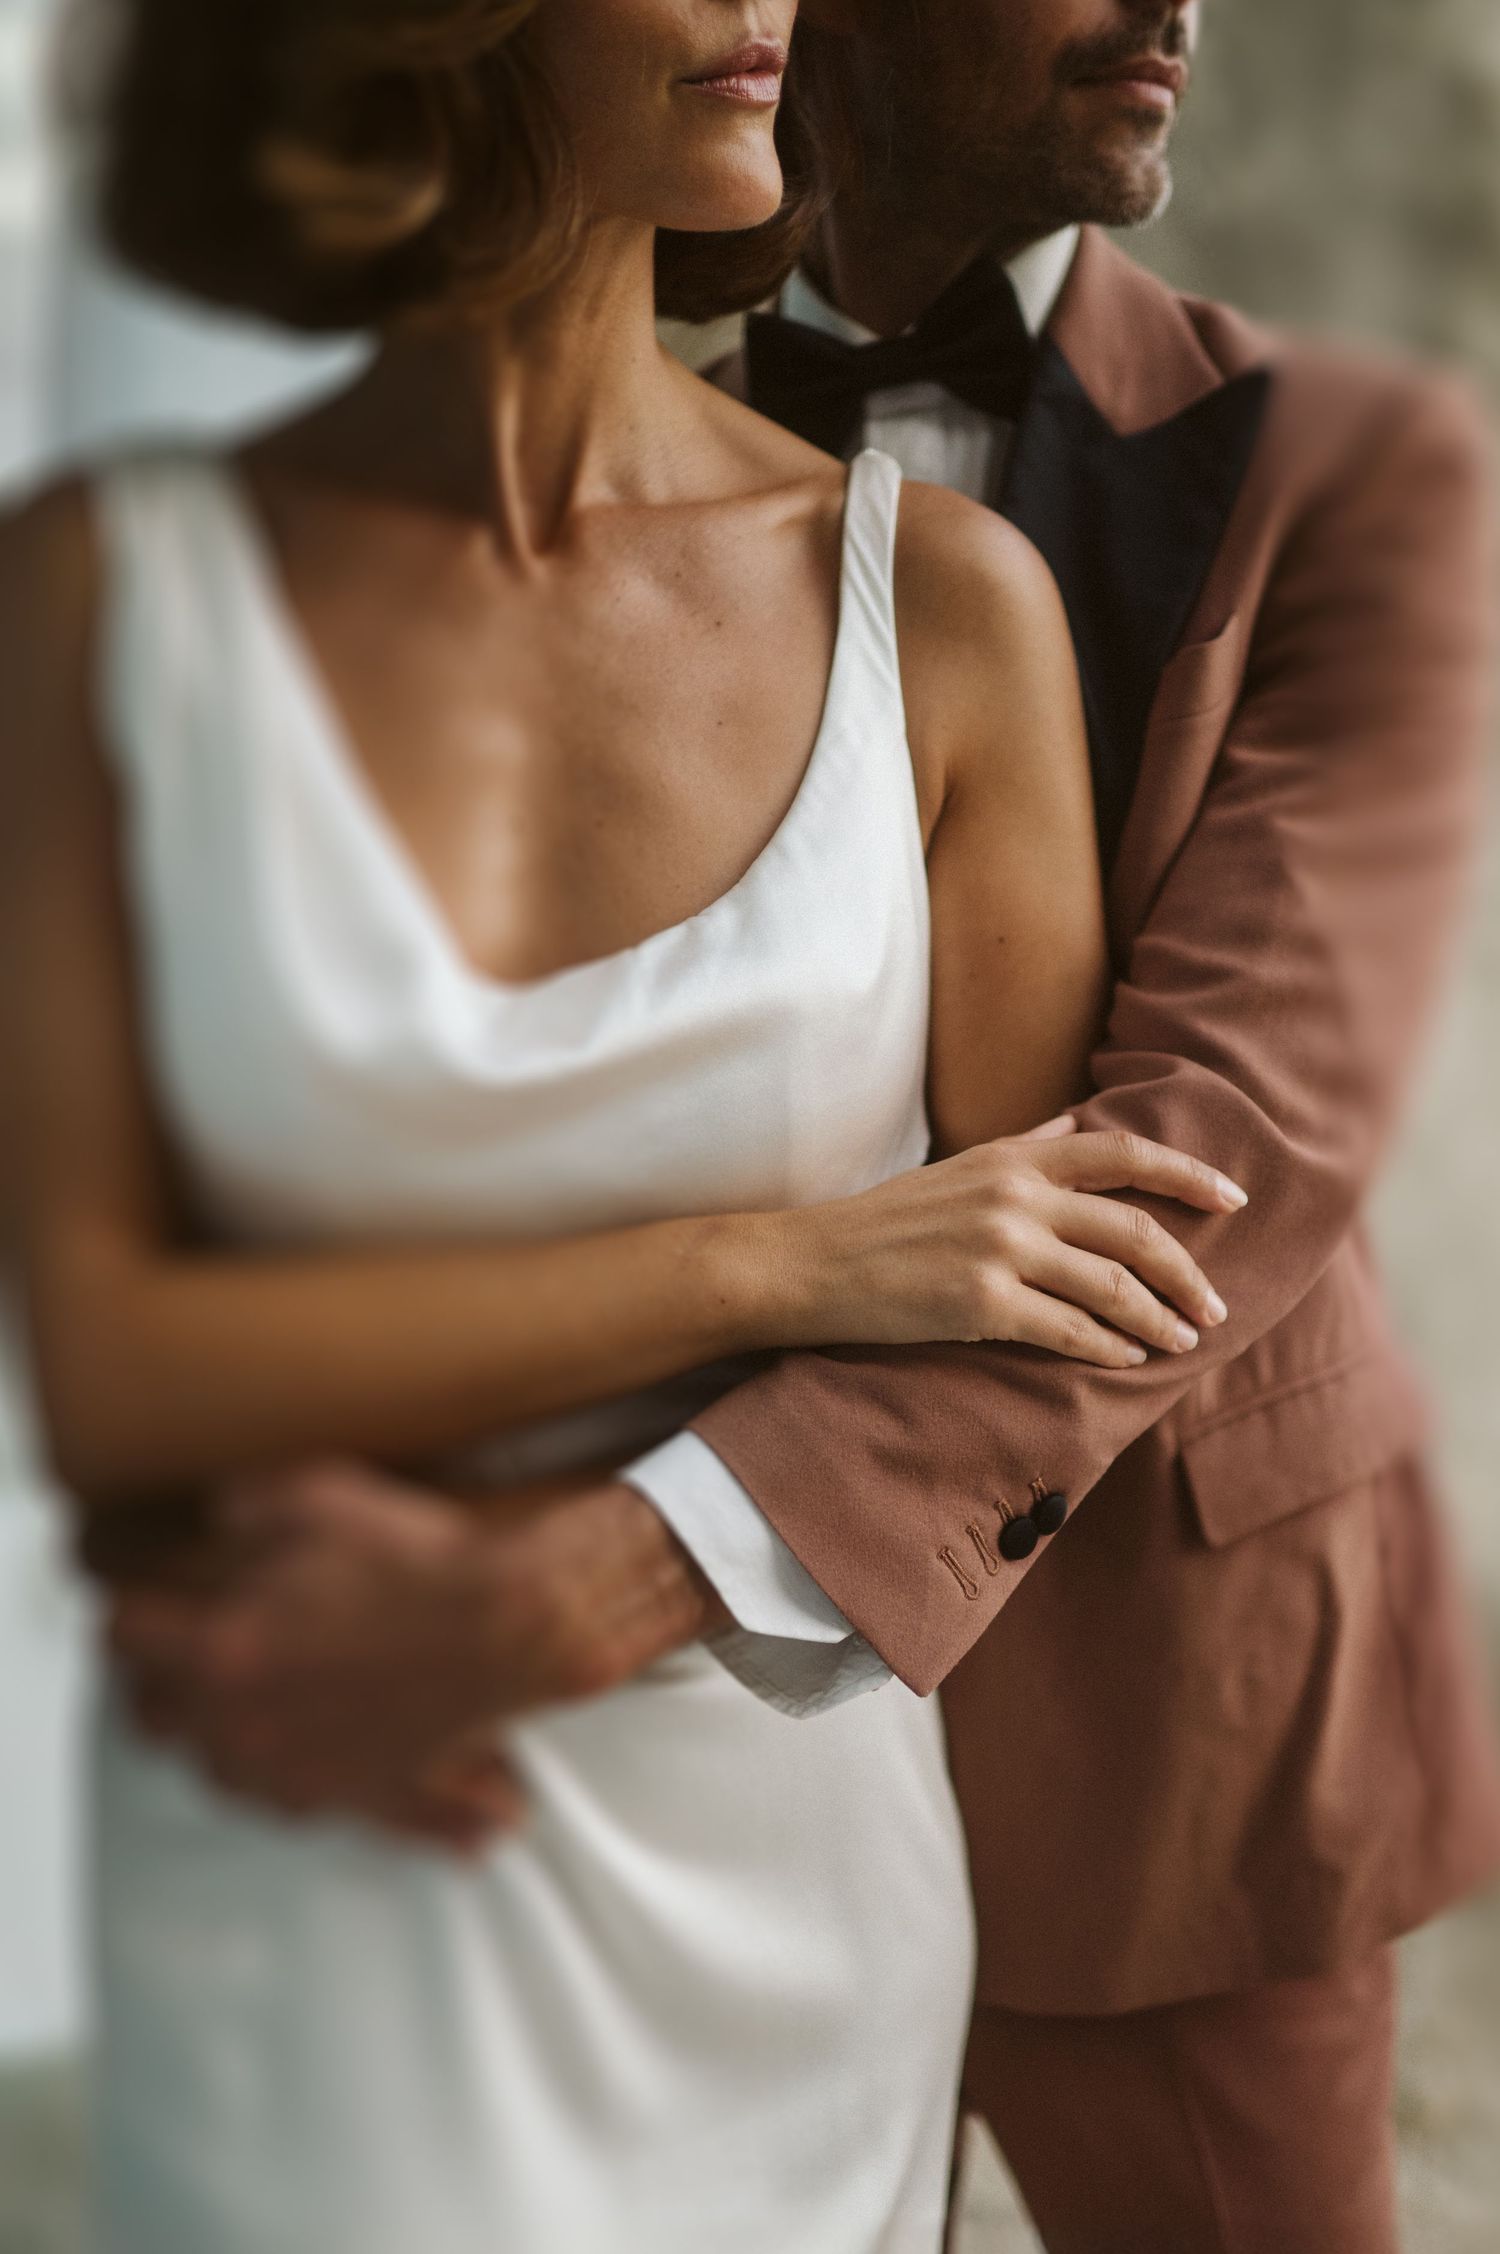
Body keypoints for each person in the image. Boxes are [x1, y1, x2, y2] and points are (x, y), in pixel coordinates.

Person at [88, 2, 1500, 2250]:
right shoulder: (538, 408)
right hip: (506, 1790)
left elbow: (1205, 1157)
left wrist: (584, 1582)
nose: (1171, 12)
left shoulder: (1361, 467)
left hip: (1166, 1717)